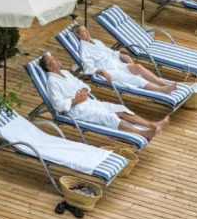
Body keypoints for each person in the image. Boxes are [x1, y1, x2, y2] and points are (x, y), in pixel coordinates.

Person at [40, 54, 169, 140]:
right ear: (50, 67)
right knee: (108, 117)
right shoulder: (52, 82)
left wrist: (84, 90)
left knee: (119, 108)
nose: (56, 59)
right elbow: (57, 105)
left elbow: (82, 84)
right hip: (78, 110)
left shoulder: (65, 73)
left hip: (89, 102)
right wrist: (76, 100)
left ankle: (151, 124)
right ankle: (143, 133)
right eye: (53, 60)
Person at [74, 25, 177, 94]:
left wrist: (122, 55)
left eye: (86, 30)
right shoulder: (84, 49)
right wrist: (101, 71)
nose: (87, 33)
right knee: (134, 78)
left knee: (138, 67)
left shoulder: (96, 41)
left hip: (116, 64)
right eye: (83, 32)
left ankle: (164, 84)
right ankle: (162, 89)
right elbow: (87, 67)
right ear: (78, 36)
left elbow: (109, 51)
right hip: (108, 71)